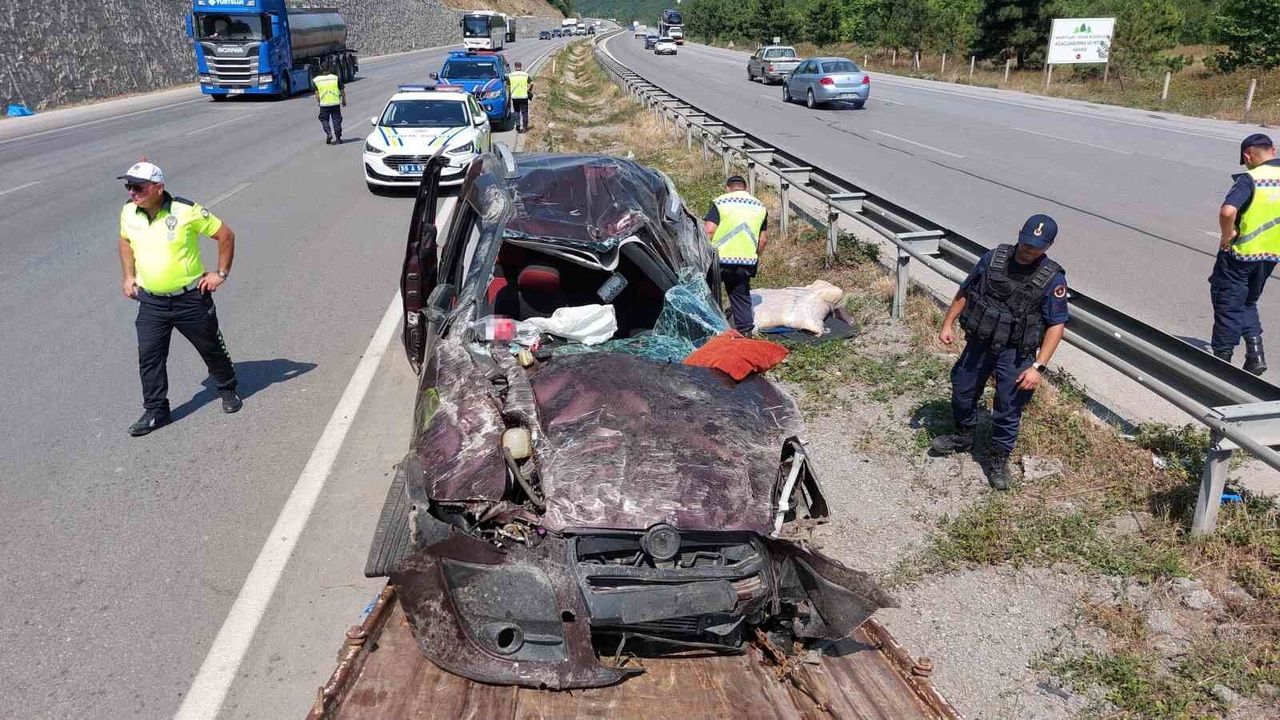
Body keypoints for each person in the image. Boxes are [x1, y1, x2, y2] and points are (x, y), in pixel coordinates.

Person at [930, 214, 1069, 490]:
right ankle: (965, 434)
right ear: (1019, 234)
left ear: (1049, 245)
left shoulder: (1052, 279)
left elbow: (1056, 325)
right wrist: (947, 323)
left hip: (1016, 352)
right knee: (962, 387)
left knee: (1008, 406)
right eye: (1026, 243)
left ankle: (998, 458)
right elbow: (966, 291)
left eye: (1036, 247)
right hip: (981, 340)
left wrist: (1038, 367)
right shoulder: (994, 258)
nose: (1029, 250)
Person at [117, 161, 241, 437]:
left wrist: (220, 273)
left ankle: (227, 388)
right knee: (149, 357)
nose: (131, 193)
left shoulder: (185, 211)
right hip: (151, 301)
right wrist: (128, 276)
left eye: (137, 187)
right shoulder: (128, 212)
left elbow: (225, 235)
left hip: (190, 299)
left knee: (210, 346)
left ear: (158, 188)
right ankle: (156, 410)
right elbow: (125, 240)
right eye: (129, 187)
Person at [1210, 133, 1280, 375]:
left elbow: (1228, 211)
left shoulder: (1251, 178)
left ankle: (1221, 364)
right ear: (1273, 149)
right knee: (1248, 302)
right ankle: (1255, 354)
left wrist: (1226, 236)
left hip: (1240, 255)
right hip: (1270, 255)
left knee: (1228, 304)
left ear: (1247, 155)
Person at [704, 176, 768, 334]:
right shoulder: (759, 206)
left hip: (719, 259)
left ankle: (709, 332)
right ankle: (746, 332)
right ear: (745, 188)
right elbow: (762, 240)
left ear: (727, 188)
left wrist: (703, 253)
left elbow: (709, 231)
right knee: (740, 296)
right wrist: (754, 256)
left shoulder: (721, 202)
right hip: (745, 260)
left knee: (709, 295)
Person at [312, 63, 346, 144]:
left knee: (323, 119)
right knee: (337, 120)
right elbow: (342, 90)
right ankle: (338, 138)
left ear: (321, 68)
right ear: (329, 68)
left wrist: (319, 102)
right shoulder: (335, 78)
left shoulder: (317, 80)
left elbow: (317, 94)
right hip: (335, 103)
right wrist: (344, 100)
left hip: (324, 104)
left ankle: (328, 133)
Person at [509, 61, 532, 133]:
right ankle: (525, 128)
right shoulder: (525, 75)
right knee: (524, 112)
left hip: (515, 96)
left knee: (516, 111)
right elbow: (532, 83)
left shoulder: (511, 75)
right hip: (524, 96)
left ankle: (518, 126)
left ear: (515, 67)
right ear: (521, 67)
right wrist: (529, 90)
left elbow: (507, 85)